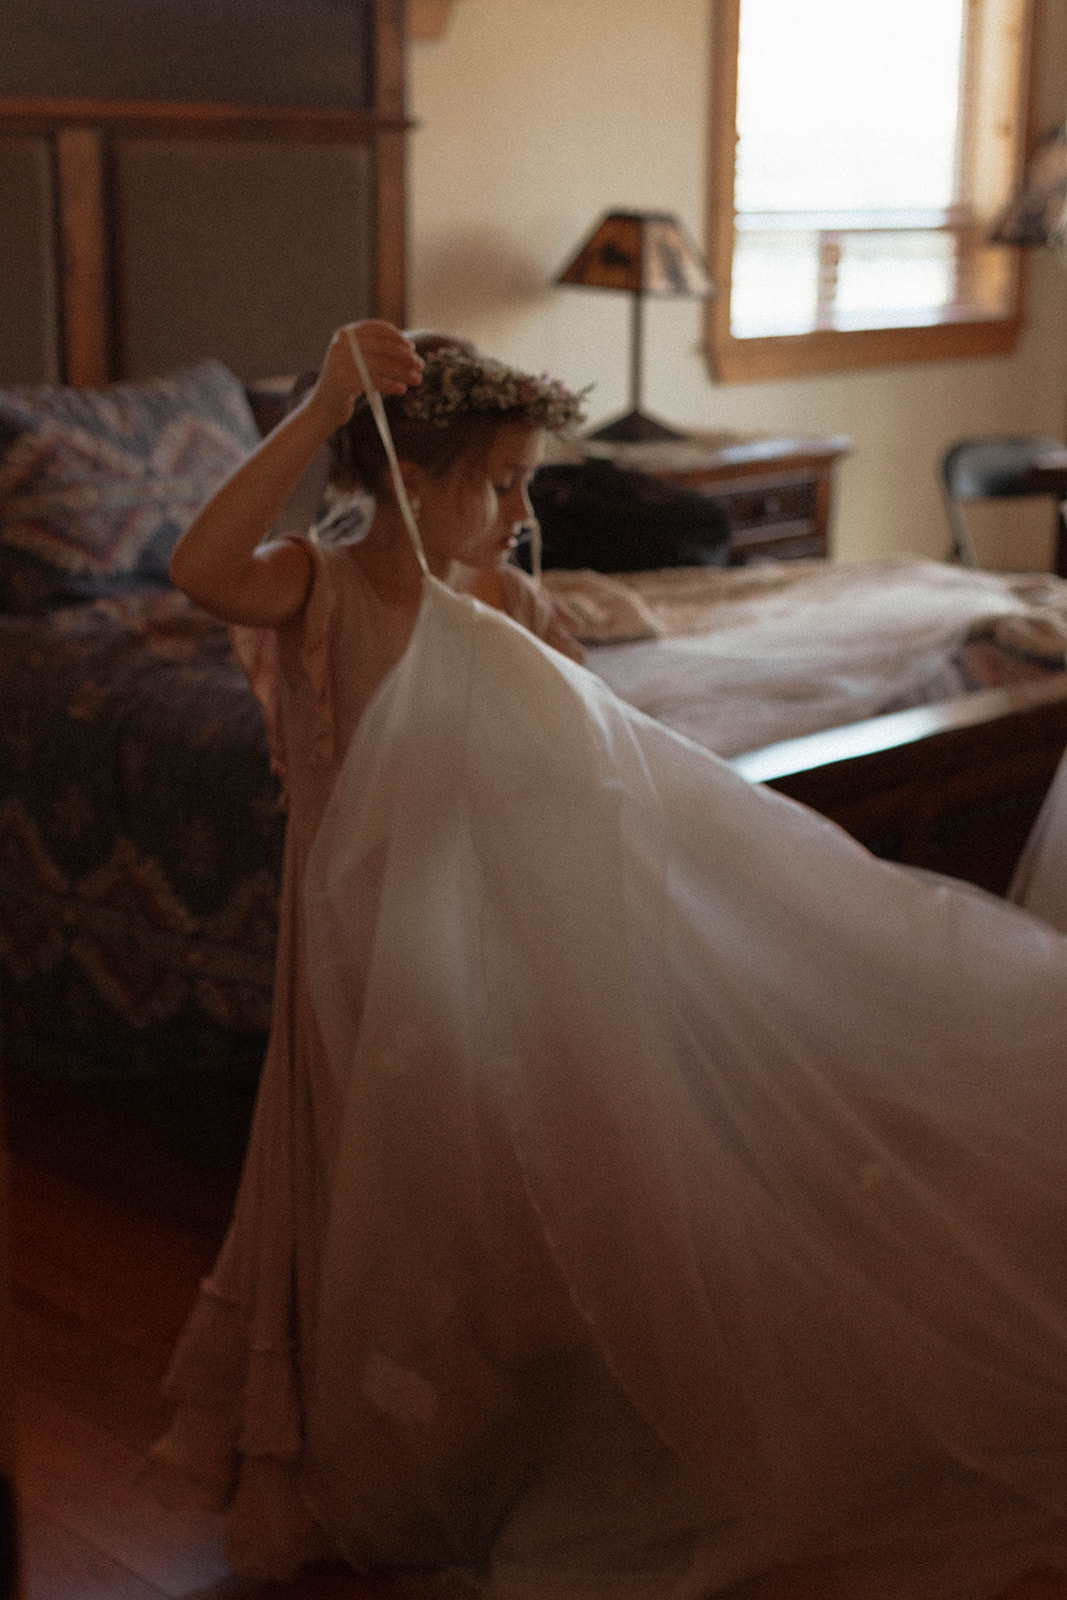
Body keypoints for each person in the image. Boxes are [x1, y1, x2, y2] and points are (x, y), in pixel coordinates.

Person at [154, 321, 1067, 1600]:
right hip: (363, 942)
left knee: (493, 1179)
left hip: (490, 928)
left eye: (530, 479)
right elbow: (197, 566)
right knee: (370, 1174)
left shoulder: (514, 604)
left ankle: (487, 1431)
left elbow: (583, 768)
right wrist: (313, 413)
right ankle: (374, 1444)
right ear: (411, 485)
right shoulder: (322, 586)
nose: (523, 509)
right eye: (501, 480)